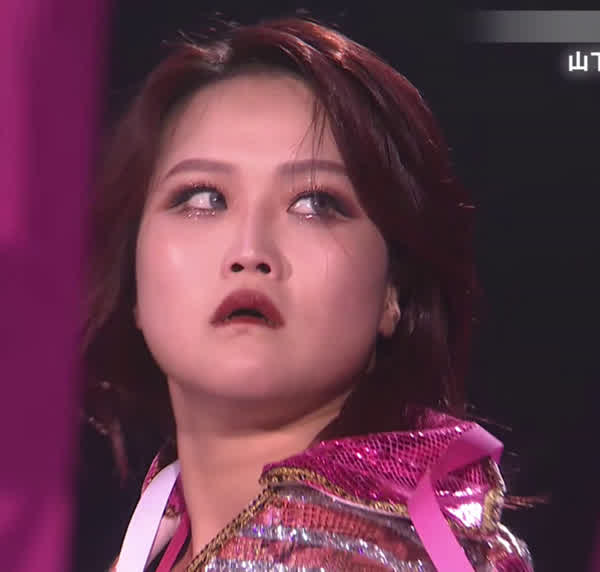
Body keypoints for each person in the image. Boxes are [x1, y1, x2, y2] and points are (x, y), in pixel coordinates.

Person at [82, 15, 533, 571]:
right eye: (202, 198)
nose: (250, 250)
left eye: (315, 204)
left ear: (393, 292)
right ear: (133, 274)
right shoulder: (155, 538)